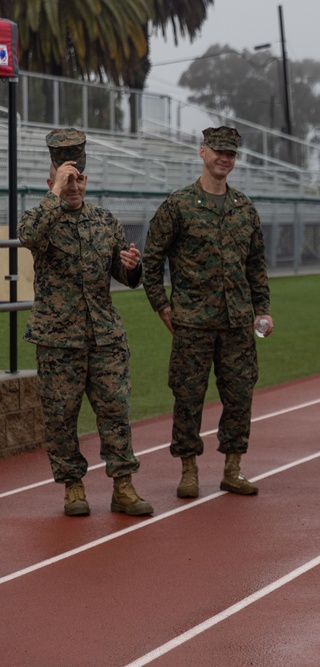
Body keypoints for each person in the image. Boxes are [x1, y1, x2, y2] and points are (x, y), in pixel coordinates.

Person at [18, 128, 152, 517]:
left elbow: (122, 275)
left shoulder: (105, 221)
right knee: (61, 417)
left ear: (87, 181)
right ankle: (73, 487)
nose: (73, 186)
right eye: (65, 179)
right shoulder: (41, 219)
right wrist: (54, 194)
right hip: (59, 341)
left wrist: (133, 268)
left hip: (105, 337)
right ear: (52, 182)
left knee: (115, 411)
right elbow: (27, 236)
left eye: (78, 179)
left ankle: (123, 486)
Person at [143, 127, 272, 499]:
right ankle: (189, 469)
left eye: (230, 153)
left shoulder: (244, 208)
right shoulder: (179, 205)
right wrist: (161, 305)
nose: (224, 158)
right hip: (193, 323)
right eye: (218, 151)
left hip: (236, 323)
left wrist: (262, 309)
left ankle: (233, 468)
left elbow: (256, 265)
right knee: (187, 396)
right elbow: (152, 260)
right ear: (202, 152)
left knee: (239, 396)